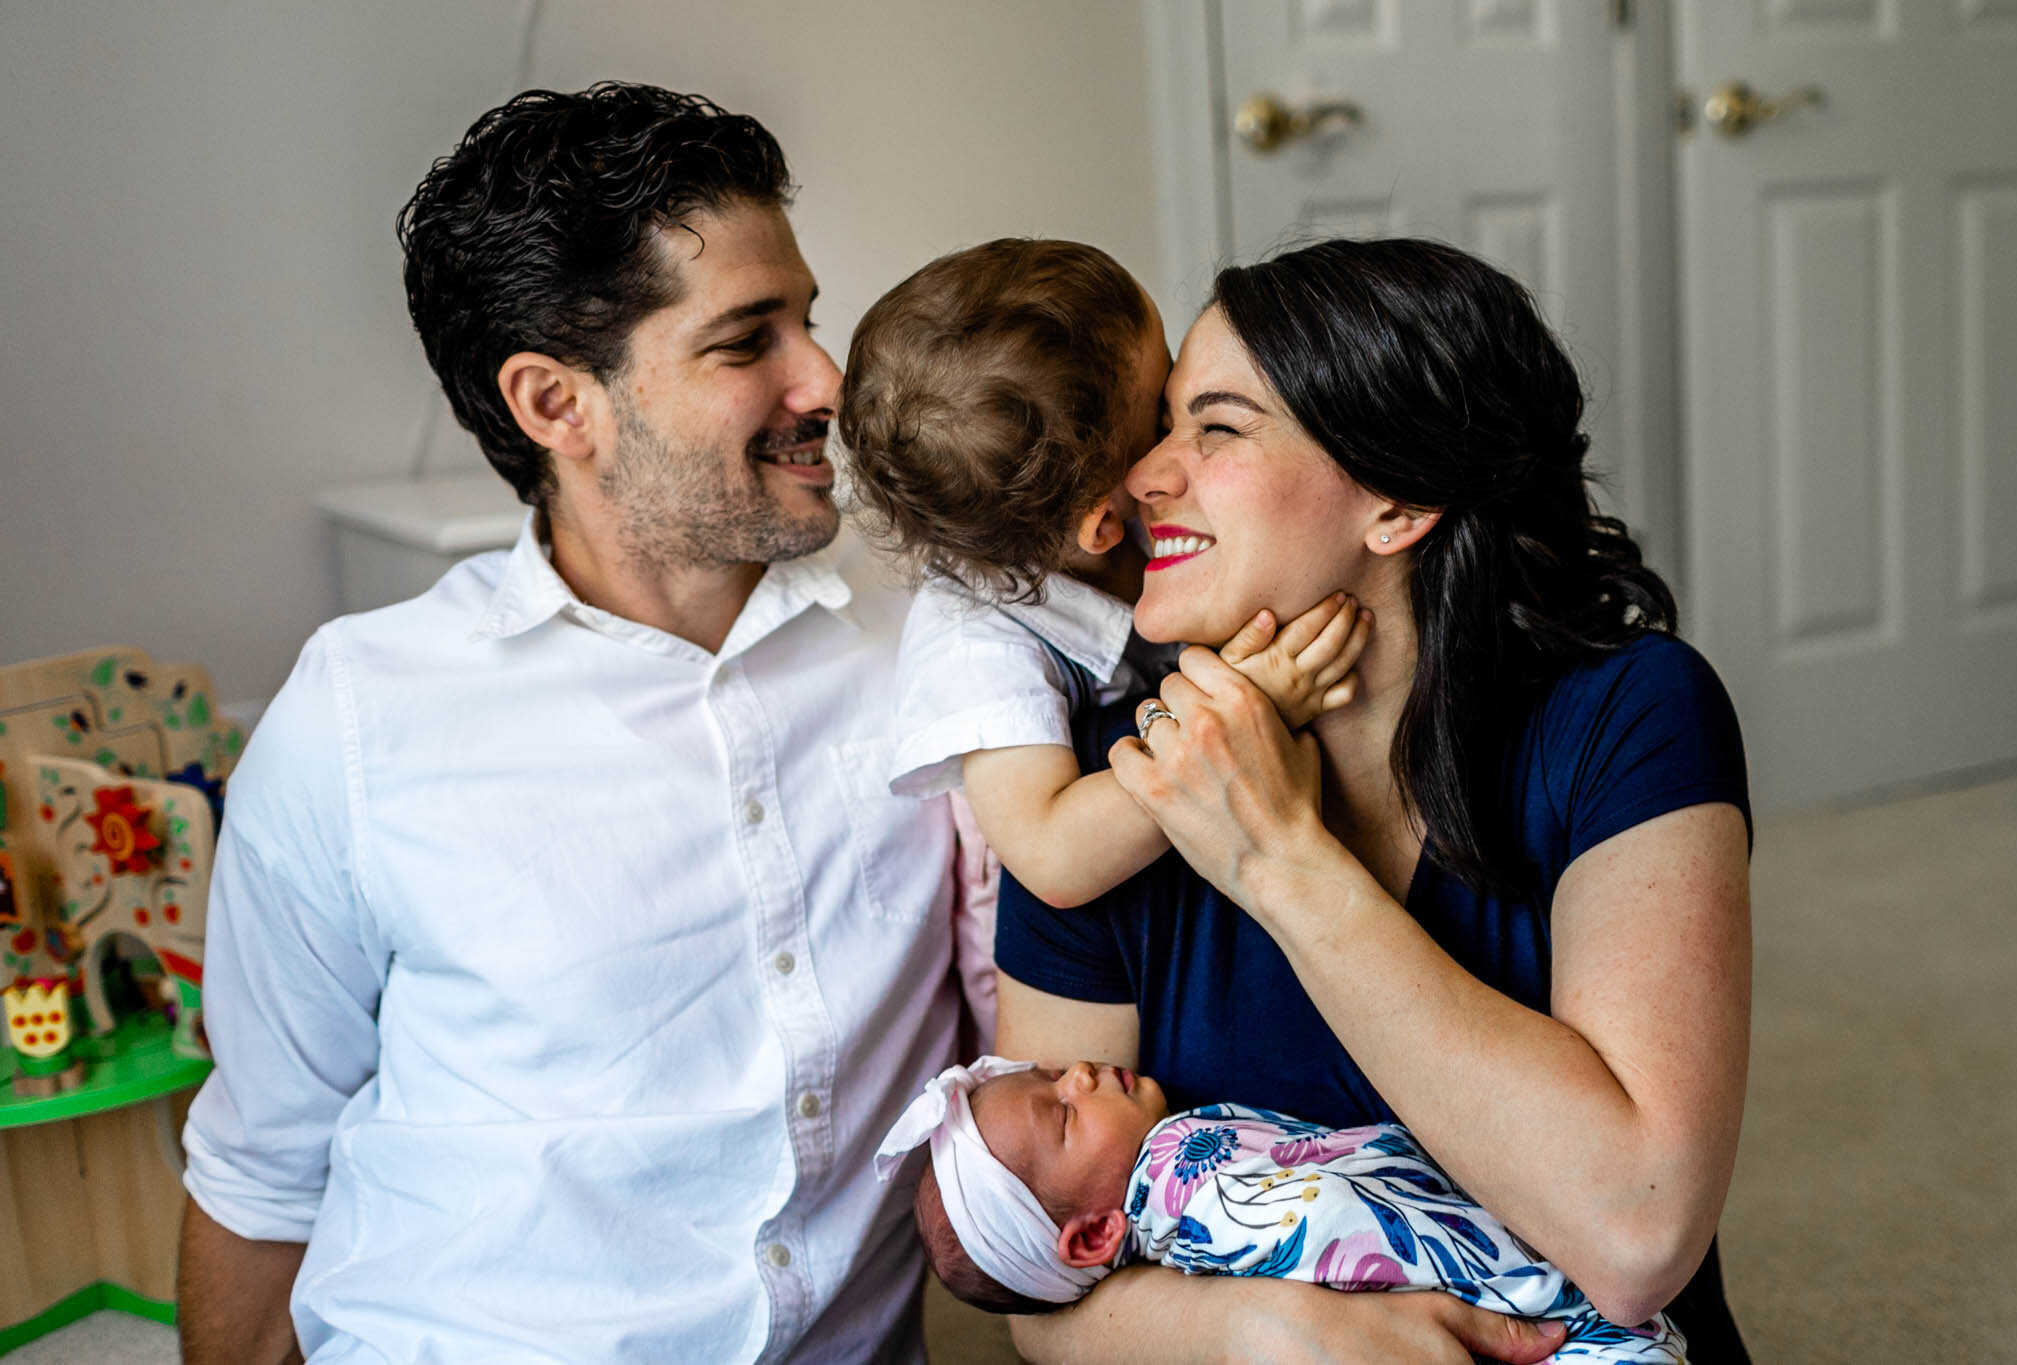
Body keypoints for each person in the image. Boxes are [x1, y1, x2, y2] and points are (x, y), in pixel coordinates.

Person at [176, 84, 961, 1364]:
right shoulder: (361, 716)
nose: (826, 378)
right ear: (556, 405)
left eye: (806, 320)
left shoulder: (931, 641)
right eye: (743, 340)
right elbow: (266, 1164)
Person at [995, 238, 1753, 1362]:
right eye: (1163, 426)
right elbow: (1036, 1284)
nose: (1144, 475)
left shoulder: (1626, 713)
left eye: (1216, 427)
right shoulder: (1103, 788)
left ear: (1396, 500)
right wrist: (1266, 1334)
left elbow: (1634, 1230)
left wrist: (1280, 863)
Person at [836, 239, 1364, 1045]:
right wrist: (1239, 707)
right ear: (1102, 521)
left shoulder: (1124, 531)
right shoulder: (973, 641)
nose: (1185, 438)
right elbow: (1051, 855)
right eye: (1163, 415)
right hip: (1056, 972)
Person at [873, 1057, 1683, 1363]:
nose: (1078, 1073)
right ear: (1094, 1233)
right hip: (1536, 1310)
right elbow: (1333, 1221)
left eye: (1052, 1073)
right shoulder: (1185, 1187)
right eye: (1063, 1114)